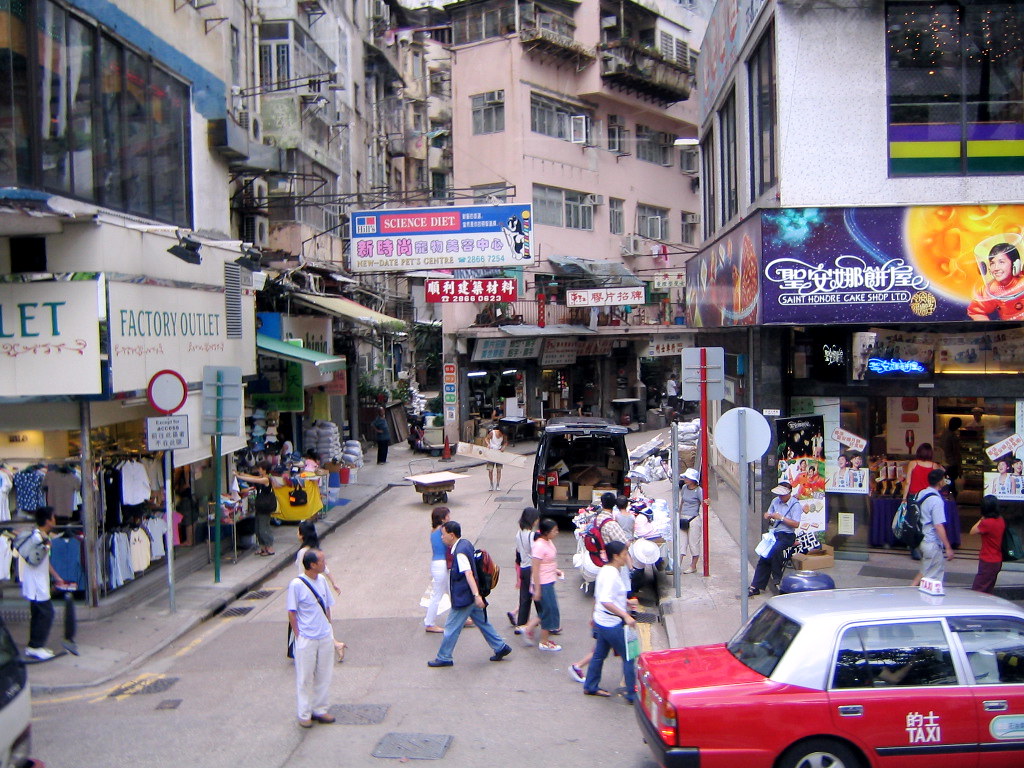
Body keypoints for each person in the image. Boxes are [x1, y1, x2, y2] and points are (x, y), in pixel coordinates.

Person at [427, 520, 511, 667]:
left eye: (444, 534)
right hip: (471, 596)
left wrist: (476, 595)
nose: (442, 537)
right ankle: (500, 647)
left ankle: (444, 657)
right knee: (482, 623)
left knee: (451, 627)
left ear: (451, 535)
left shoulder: (459, 553)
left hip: (464, 597)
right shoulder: (465, 544)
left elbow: (468, 574)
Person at [287, 549, 337, 728]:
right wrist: (299, 635)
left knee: (324, 674)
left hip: (324, 636)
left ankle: (320, 709)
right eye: (322, 561)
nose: (325, 563)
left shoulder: (322, 580)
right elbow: (292, 612)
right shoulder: (297, 584)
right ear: (312, 565)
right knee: (305, 677)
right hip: (307, 638)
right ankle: (304, 713)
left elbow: (327, 606)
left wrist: (329, 629)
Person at [582, 541, 637, 702]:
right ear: (616, 556)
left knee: (599, 655)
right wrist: (625, 615)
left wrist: (626, 602)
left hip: (602, 620)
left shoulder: (607, 570)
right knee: (629, 656)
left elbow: (602, 596)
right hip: (611, 623)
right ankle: (632, 694)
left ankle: (590, 686)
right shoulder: (612, 575)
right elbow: (606, 600)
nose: (626, 557)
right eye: (624, 554)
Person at [21, 507, 70, 659]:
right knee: (45, 614)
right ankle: (36, 646)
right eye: (53, 517)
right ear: (48, 521)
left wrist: (57, 577)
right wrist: (47, 545)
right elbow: (36, 559)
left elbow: (45, 562)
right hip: (36, 584)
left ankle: (33, 646)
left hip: (39, 582)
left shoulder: (42, 536)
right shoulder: (37, 537)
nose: (55, 520)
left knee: (38, 615)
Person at [295, 520, 345, 662]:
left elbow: (302, 574)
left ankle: (335, 644)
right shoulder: (315, 551)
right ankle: (334, 644)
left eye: (298, 531)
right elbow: (325, 569)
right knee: (323, 620)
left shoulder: (303, 553)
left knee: (310, 622)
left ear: (302, 535)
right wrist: (334, 583)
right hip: (318, 590)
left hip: (307, 591)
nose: (297, 534)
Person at [748, 482, 803, 597]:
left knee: (775, 550)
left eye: (783, 495)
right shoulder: (775, 501)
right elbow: (768, 513)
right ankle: (755, 586)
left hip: (787, 534)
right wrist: (768, 515)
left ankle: (777, 578)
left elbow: (796, 524)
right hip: (774, 533)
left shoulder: (795, 505)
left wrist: (781, 518)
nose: (780, 497)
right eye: (779, 495)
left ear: (789, 493)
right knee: (764, 556)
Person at [517, 518, 564, 651]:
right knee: (549, 610)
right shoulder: (539, 546)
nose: (557, 533)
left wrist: (555, 570)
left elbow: (547, 561)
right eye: (554, 530)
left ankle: (528, 628)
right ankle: (544, 641)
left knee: (548, 610)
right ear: (547, 532)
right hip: (543, 583)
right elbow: (536, 569)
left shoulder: (548, 542)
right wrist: (537, 589)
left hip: (549, 580)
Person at [912, 469, 956, 587]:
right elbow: (938, 525)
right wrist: (948, 547)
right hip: (931, 541)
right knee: (932, 578)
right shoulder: (936, 501)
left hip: (921, 538)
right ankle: (919, 596)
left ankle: (910, 590)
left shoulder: (920, 493)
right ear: (940, 481)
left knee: (924, 571)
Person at [967, 240, 1024, 321]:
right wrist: (990, 327)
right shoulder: (990, 289)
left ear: (1015, 264)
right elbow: (974, 311)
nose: (996, 268)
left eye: (1001, 262)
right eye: (992, 263)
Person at [235, 460, 280, 556]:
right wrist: (241, 474)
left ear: (264, 469)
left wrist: (239, 477)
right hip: (260, 506)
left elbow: (254, 480)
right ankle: (263, 547)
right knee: (258, 528)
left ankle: (269, 547)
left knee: (263, 528)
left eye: (260, 468)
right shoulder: (262, 477)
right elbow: (253, 477)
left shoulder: (266, 479)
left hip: (265, 507)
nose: (258, 470)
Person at [507, 507, 539, 632]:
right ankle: (547, 623)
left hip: (524, 568)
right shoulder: (532, 535)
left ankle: (521, 624)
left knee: (524, 598)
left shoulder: (518, 534)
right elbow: (536, 553)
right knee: (538, 597)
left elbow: (519, 553)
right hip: (532, 567)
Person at [970, 495, 1006, 593]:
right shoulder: (1001, 520)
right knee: (988, 589)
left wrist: (982, 518)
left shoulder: (986, 523)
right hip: (997, 560)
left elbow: (972, 531)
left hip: (987, 560)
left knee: (977, 590)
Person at [424, 506, 450, 634]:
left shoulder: (433, 530)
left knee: (450, 591)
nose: (449, 518)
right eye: (448, 516)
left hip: (436, 563)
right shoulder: (443, 530)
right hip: (442, 564)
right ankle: (429, 623)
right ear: (442, 518)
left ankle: (460, 618)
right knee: (438, 594)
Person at [679, 468, 707, 575]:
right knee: (681, 543)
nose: (685, 479)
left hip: (693, 519)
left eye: (687, 478)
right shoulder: (684, 488)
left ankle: (693, 566)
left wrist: (707, 502)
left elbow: (703, 503)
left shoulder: (699, 491)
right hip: (683, 518)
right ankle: (677, 565)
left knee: (693, 543)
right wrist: (679, 514)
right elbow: (682, 502)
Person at [938, 417, 963, 498]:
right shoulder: (953, 437)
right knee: (951, 484)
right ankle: (951, 500)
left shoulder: (944, 434)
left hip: (943, 463)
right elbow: (956, 453)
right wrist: (959, 467)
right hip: (951, 464)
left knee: (947, 482)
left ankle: (946, 498)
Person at [485, 424, 507, 491]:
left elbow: (505, 442)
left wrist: (503, 447)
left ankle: (498, 484)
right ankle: (491, 484)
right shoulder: (493, 433)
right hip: (491, 452)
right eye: (500, 434)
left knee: (499, 470)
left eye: (502, 435)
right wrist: (488, 444)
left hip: (498, 453)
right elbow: (486, 438)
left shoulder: (504, 435)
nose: (501, 436)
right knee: (490, 470)